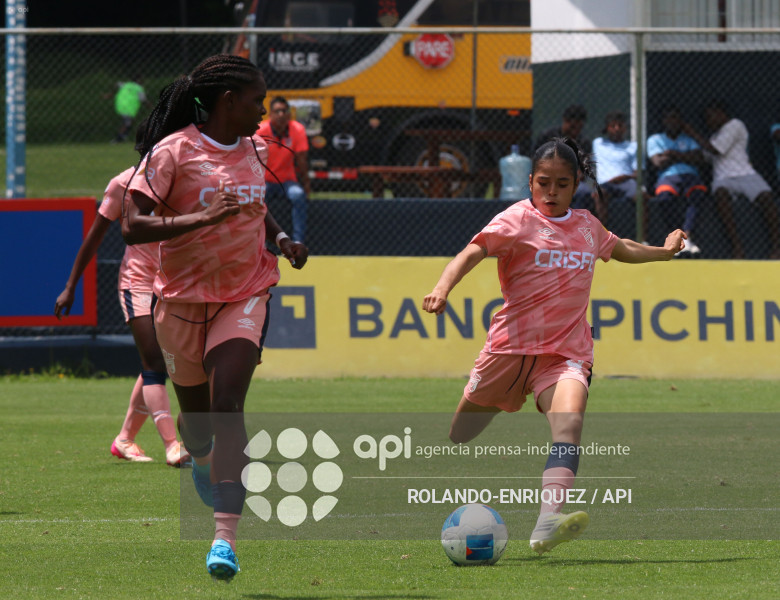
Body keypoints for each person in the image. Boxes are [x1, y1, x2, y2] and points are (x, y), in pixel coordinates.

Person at [422, 137, 686, 556]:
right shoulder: (516, 219)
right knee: (460, 434)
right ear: (530, 181)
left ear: (575, 183)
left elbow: (620, 249)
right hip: (509, 351)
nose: (551, 192)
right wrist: (442, 287)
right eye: (543, 182)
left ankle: (548, 521)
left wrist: (664, 253)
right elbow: (471, 253)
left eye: (561, 184)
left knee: (570, 423)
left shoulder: (586, 225)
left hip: (565, 353)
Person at [122, 54, 308, 582]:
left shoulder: (254, 147)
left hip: (245, 294)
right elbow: (133, 225)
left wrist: (280, 239)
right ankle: (199, 456)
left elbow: (255, 206)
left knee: (228, 403)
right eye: (257, 100)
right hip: (180, 301)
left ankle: (224, 539)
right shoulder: (172, 151)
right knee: (198, 427)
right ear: (228, 101)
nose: (264, 110)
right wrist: (203, 216)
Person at [54, 127, 190, 468]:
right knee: (156, 363)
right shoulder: (123, 184)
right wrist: (71, 285)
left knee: (155, 365)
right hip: (138, 283)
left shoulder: (183, 183)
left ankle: (125, 439)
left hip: (173, 284)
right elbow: (94, 238)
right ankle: (173, 445)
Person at [682, 100, 780, 259]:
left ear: (720, 113)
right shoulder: (714, 136)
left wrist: (691, 132)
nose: (708, 121)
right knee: (720, 195)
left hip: (745, 174)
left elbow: (716, 150)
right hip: (723, 178)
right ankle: (737, 247)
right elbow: (704, 156)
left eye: (710, 116)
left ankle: (777, 246)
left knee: (766, 197)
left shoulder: (735, 125)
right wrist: (676, 155)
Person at [646, 106, 706, 257]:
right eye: (669, 118)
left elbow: (699, 158)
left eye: (675, 118)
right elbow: (658, 162)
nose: (672, 121)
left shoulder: (688, 139)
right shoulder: (656, 139)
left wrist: (672, 154)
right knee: (664, 196)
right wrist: (686, 156)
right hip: (668, 176)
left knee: (698, 193)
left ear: (680, 121)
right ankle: (677, 239)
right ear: (664, 121)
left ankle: (687, 237)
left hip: (690, 175)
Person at [256, 96, 311, 243]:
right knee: (257, 197)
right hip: (265, 181)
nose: (281, 114)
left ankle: (298, 242)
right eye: (277, 111)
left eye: (284, 111)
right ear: (270, 114)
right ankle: (260, 241)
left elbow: (302, 160)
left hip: (288, 181)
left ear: (289, 114)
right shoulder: (261, 130)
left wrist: (306, 184)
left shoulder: (297, 130)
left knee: (298, 195)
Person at [591, 111, 647, 240]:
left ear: (625, 128)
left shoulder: (633, 146)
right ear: (607, 128)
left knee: (642, 196)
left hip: (626, 182)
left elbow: (638, 172)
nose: (617, 129)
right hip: (605, 184)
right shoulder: (598, 143)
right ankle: (601, 240)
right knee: (599, 195)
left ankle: (643, 240)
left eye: (620, 126)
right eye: (613, 126)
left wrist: (624, 177)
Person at [535, 105, 593, 209]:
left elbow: (583, 171)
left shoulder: (584, 142)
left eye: (579, 128)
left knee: (584, 192)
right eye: (572, 127)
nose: (575, 131)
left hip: (570, 181)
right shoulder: (548, 136)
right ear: (565, 121)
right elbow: (536, 162)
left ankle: (574, 222)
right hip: (547, 177)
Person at [105, 76, 149, 143]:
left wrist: (111, 93)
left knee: (129, 122)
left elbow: (117, 84)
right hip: (129, 108)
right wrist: (151, 106)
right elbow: (143, 100)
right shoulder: (139, 88)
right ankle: (118, 139)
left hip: (120, 105)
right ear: (139, 80)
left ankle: (123, 136)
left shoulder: (126, 84)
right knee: (127, 123)